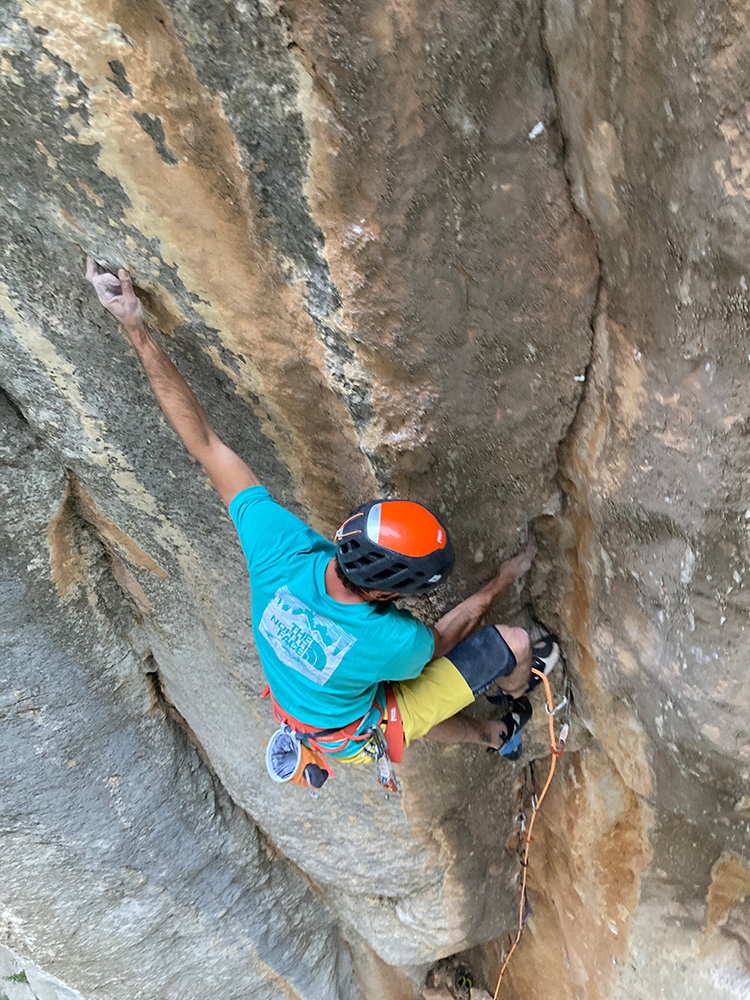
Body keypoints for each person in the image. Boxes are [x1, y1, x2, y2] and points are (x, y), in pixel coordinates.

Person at [86, 260, 558, 776]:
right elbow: (450, 634)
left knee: (395, 705)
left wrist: (136, 327)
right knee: (502, 652)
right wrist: (502, 580)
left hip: (315, 710)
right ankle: (512, 701)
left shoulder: (276, 550)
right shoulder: (395, 641)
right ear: (382, 594)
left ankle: (490, 731)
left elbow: (206, 445)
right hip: (354, 728)